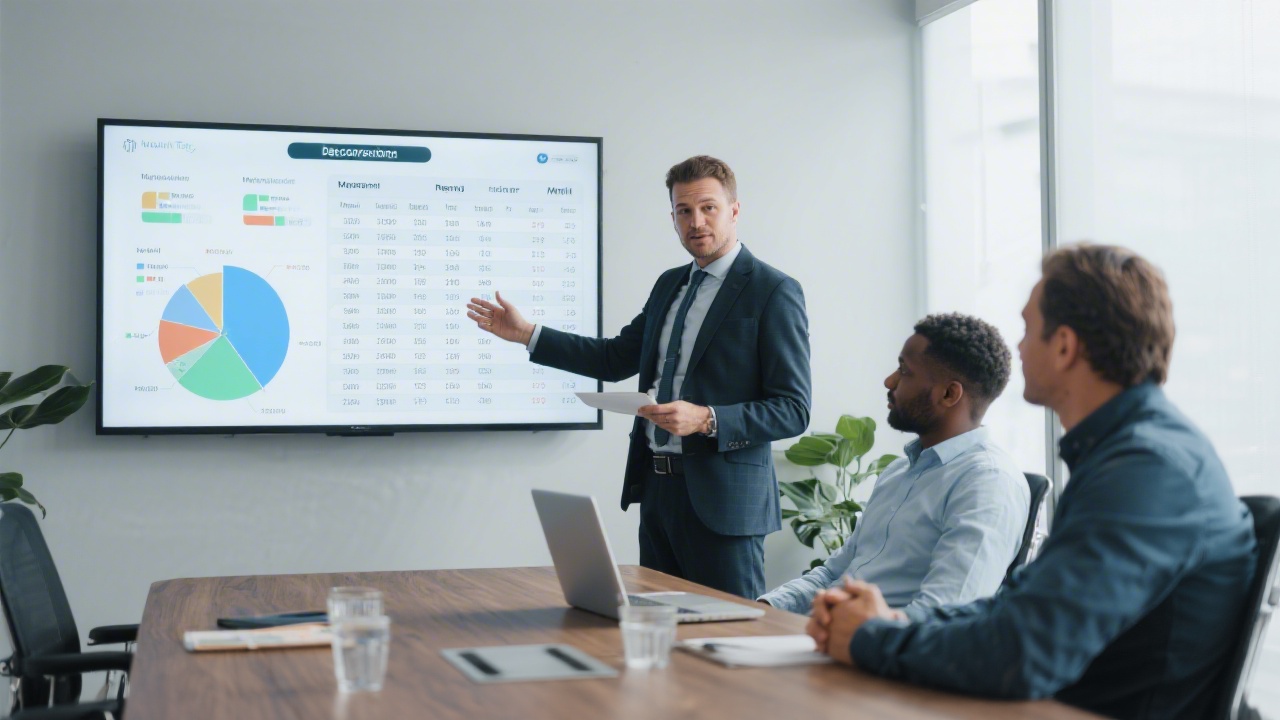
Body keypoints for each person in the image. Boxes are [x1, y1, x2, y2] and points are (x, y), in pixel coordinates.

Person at [807, 244, 1258, 720]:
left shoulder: (1147, 470)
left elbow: (1023, 653)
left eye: (1027, 328)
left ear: (1063, 346)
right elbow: (1018, 611)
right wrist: (891, 622)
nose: (1019, 347)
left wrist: (872, 638)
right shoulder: (1125, 454)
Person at [466, 156, 811, 599]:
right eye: (684, 211)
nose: (696, 222)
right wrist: (529, 334)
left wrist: (706, 419)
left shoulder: (773, 291)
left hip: (725, 504)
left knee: (728, 630)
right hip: (658, 490)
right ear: (673, 217)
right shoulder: (670, 285)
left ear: (734, 210)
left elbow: (792, 409)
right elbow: (614, 359)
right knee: (657, 628)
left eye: (708, 208)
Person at [758, 313, 1029, 620]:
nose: (889, 381)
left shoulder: (987, 482)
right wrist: (764, 609)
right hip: (830, 636)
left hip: (877, 646)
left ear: (949, 394)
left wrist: (851, 635)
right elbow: (832, 575)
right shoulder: (899, 473)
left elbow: (943, 616)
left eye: (904, 371)